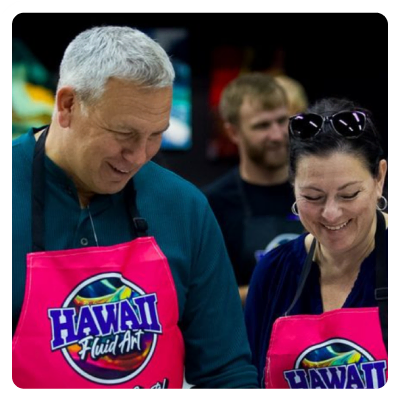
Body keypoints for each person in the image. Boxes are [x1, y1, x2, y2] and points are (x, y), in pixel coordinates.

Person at [12, 25, 258, 389]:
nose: (139, 156)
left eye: (156, 134)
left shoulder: (184, 206)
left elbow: (226, 373)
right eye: (124, 135)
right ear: (67, 106)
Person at [245, 97, 388, 388]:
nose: (331, 213)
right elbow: (246, 380)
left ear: (379, 179)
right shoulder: (275, 272)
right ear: (293, 187)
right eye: (312, 197)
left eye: (348, 195)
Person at [203, 73, 304, 304]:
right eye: (262, 126)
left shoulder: (317, 192)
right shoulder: (212, 205)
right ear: (233, 132)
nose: (277, 135)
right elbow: (207, 297)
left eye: (282, 120)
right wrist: (283, 289)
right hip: (248, 337)